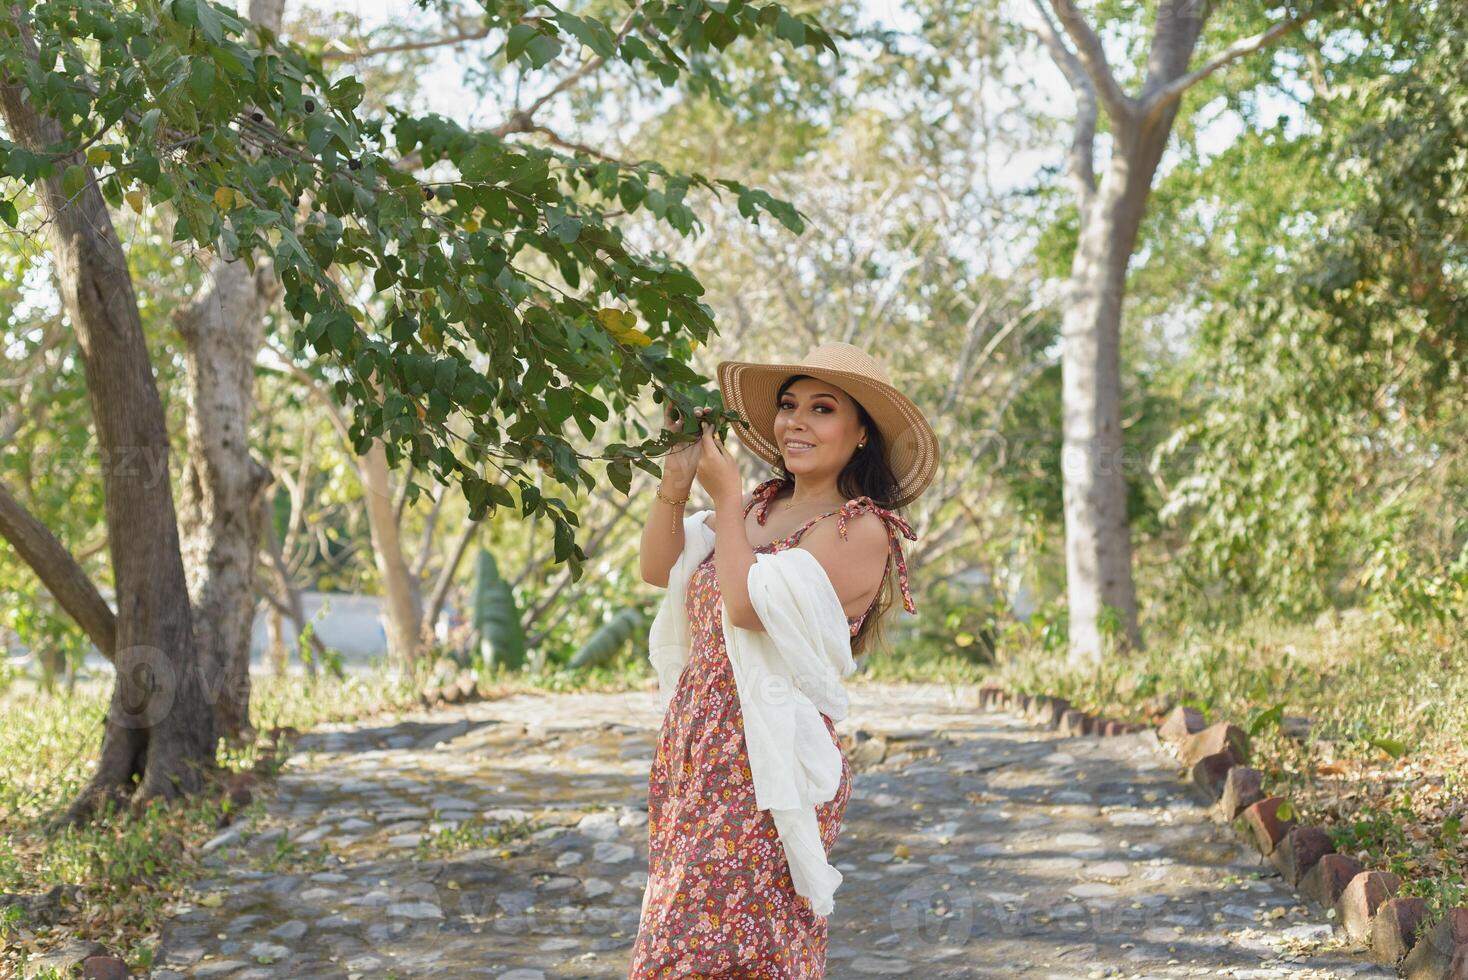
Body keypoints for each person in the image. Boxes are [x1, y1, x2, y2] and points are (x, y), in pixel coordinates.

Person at [629, 342, 940, 977]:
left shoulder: (860, 528)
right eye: (789, 405)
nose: (796, 421)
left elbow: (745, 609)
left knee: (735, 941)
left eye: (822, 409)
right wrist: (677, 480)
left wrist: (722, 500)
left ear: (860, 436)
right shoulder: (758, 507)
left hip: (767, 758)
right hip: (698, 740)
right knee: (679, 927)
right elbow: (658, 568)